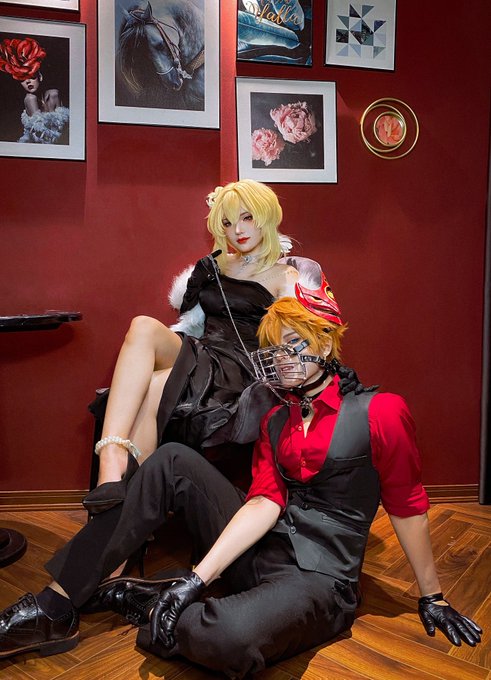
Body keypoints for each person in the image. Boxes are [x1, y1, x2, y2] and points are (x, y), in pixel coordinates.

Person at [0, 284, 482, 676]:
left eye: (295, 343)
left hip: (320, 578)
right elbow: (263, 502)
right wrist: (197, 579)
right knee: (171, 459)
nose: (283, 357)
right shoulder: (277, 418)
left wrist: (432, 596)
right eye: (274, 347)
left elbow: (407, 504)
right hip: (261, 548)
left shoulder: (382, 412)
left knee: (225, 638)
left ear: (326, 342)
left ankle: (153, 602)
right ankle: (54, 608)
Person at [83, 179, 302, 514]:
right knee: (143, 325)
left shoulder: (285, 276)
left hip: (238, 367)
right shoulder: (214, 265)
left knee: (156, 384)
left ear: (267, 216)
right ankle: (112, 459)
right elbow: (189, 314)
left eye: (247, 218)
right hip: (202, 351)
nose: (237, 230)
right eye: (227, 223)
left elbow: (295, 339)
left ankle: (130, 507)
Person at [0, 36, 69, 144]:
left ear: (40, 77)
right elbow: (40, 137)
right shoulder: (30, 99)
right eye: (22, 79)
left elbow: (65, 127)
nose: (28, 82)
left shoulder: (54, 94)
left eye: (31, 77)